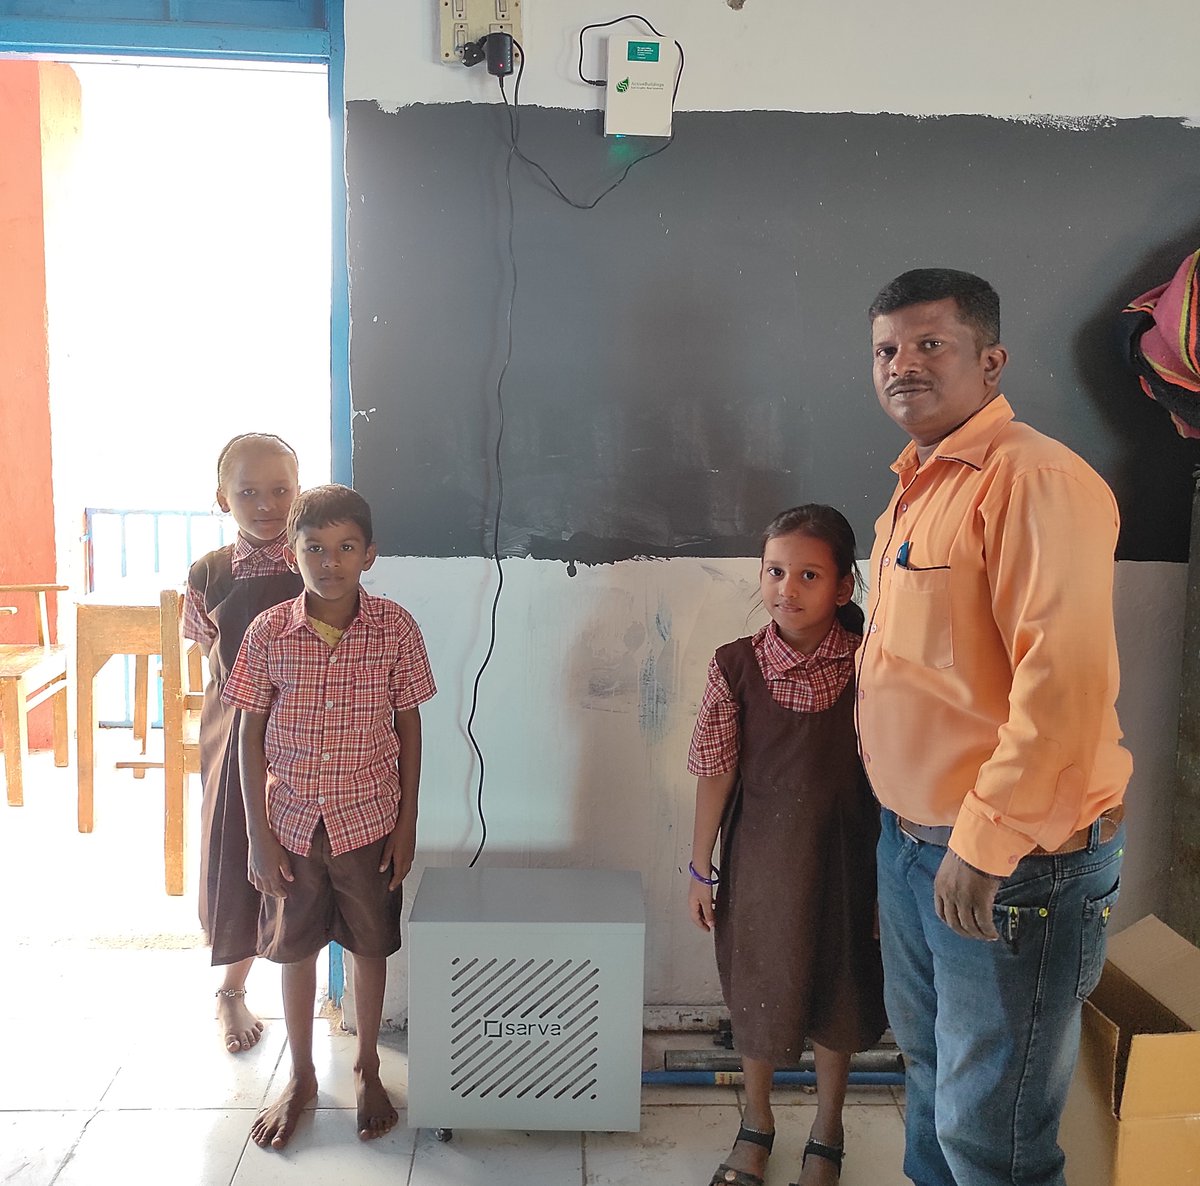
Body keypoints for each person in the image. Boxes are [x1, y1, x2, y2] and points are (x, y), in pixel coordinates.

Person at [857, 268, 1131, 1186]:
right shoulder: (917, 485)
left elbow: (1063, 687)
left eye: (930, 344)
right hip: (914, 844)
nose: (903, 365)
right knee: (937, 1084)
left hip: (1010, 862)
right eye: (887, 350)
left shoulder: (1034, 479)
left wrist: (983, 846)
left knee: (996, 1136)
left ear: (992, 359)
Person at [222, 483, 436, 1149]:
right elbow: (248, 736)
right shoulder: (267, 633)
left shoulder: (395, 627)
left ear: (369, 554)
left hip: (369, 820)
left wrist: (406, 826)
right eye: (314, 547)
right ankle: (304, 1076)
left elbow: (410, 726)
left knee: (369, 945)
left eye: (346, 547)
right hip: (289, 824)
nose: (330, 561)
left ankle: (369, 1066)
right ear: (293, 554)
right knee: (295, 950)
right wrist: (259, 835)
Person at [687, 505, 886, 1186]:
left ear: (843, 587)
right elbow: (715, 773)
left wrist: (894, 879)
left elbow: (894, 779)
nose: (787, 588)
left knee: (842, 988)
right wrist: (698, 867)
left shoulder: (873, 667)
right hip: (760, 866)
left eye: (808, 574)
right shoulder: (734, 666)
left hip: (850, 863)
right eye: (775, 571)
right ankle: (758, 1121)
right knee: (759, 991)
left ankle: (827, 1130)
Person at [183, 432, 303, 1054]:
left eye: (281, 490)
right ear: (222, 498)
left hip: (308, 734)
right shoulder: (209, 573)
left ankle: (308, 990)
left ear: (299, 493)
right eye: (248, 491)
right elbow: (211, 654)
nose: (266, 504)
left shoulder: (317, 558)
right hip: (234, 731)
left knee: (306, 858)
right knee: (237, 853)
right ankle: (232, 990)